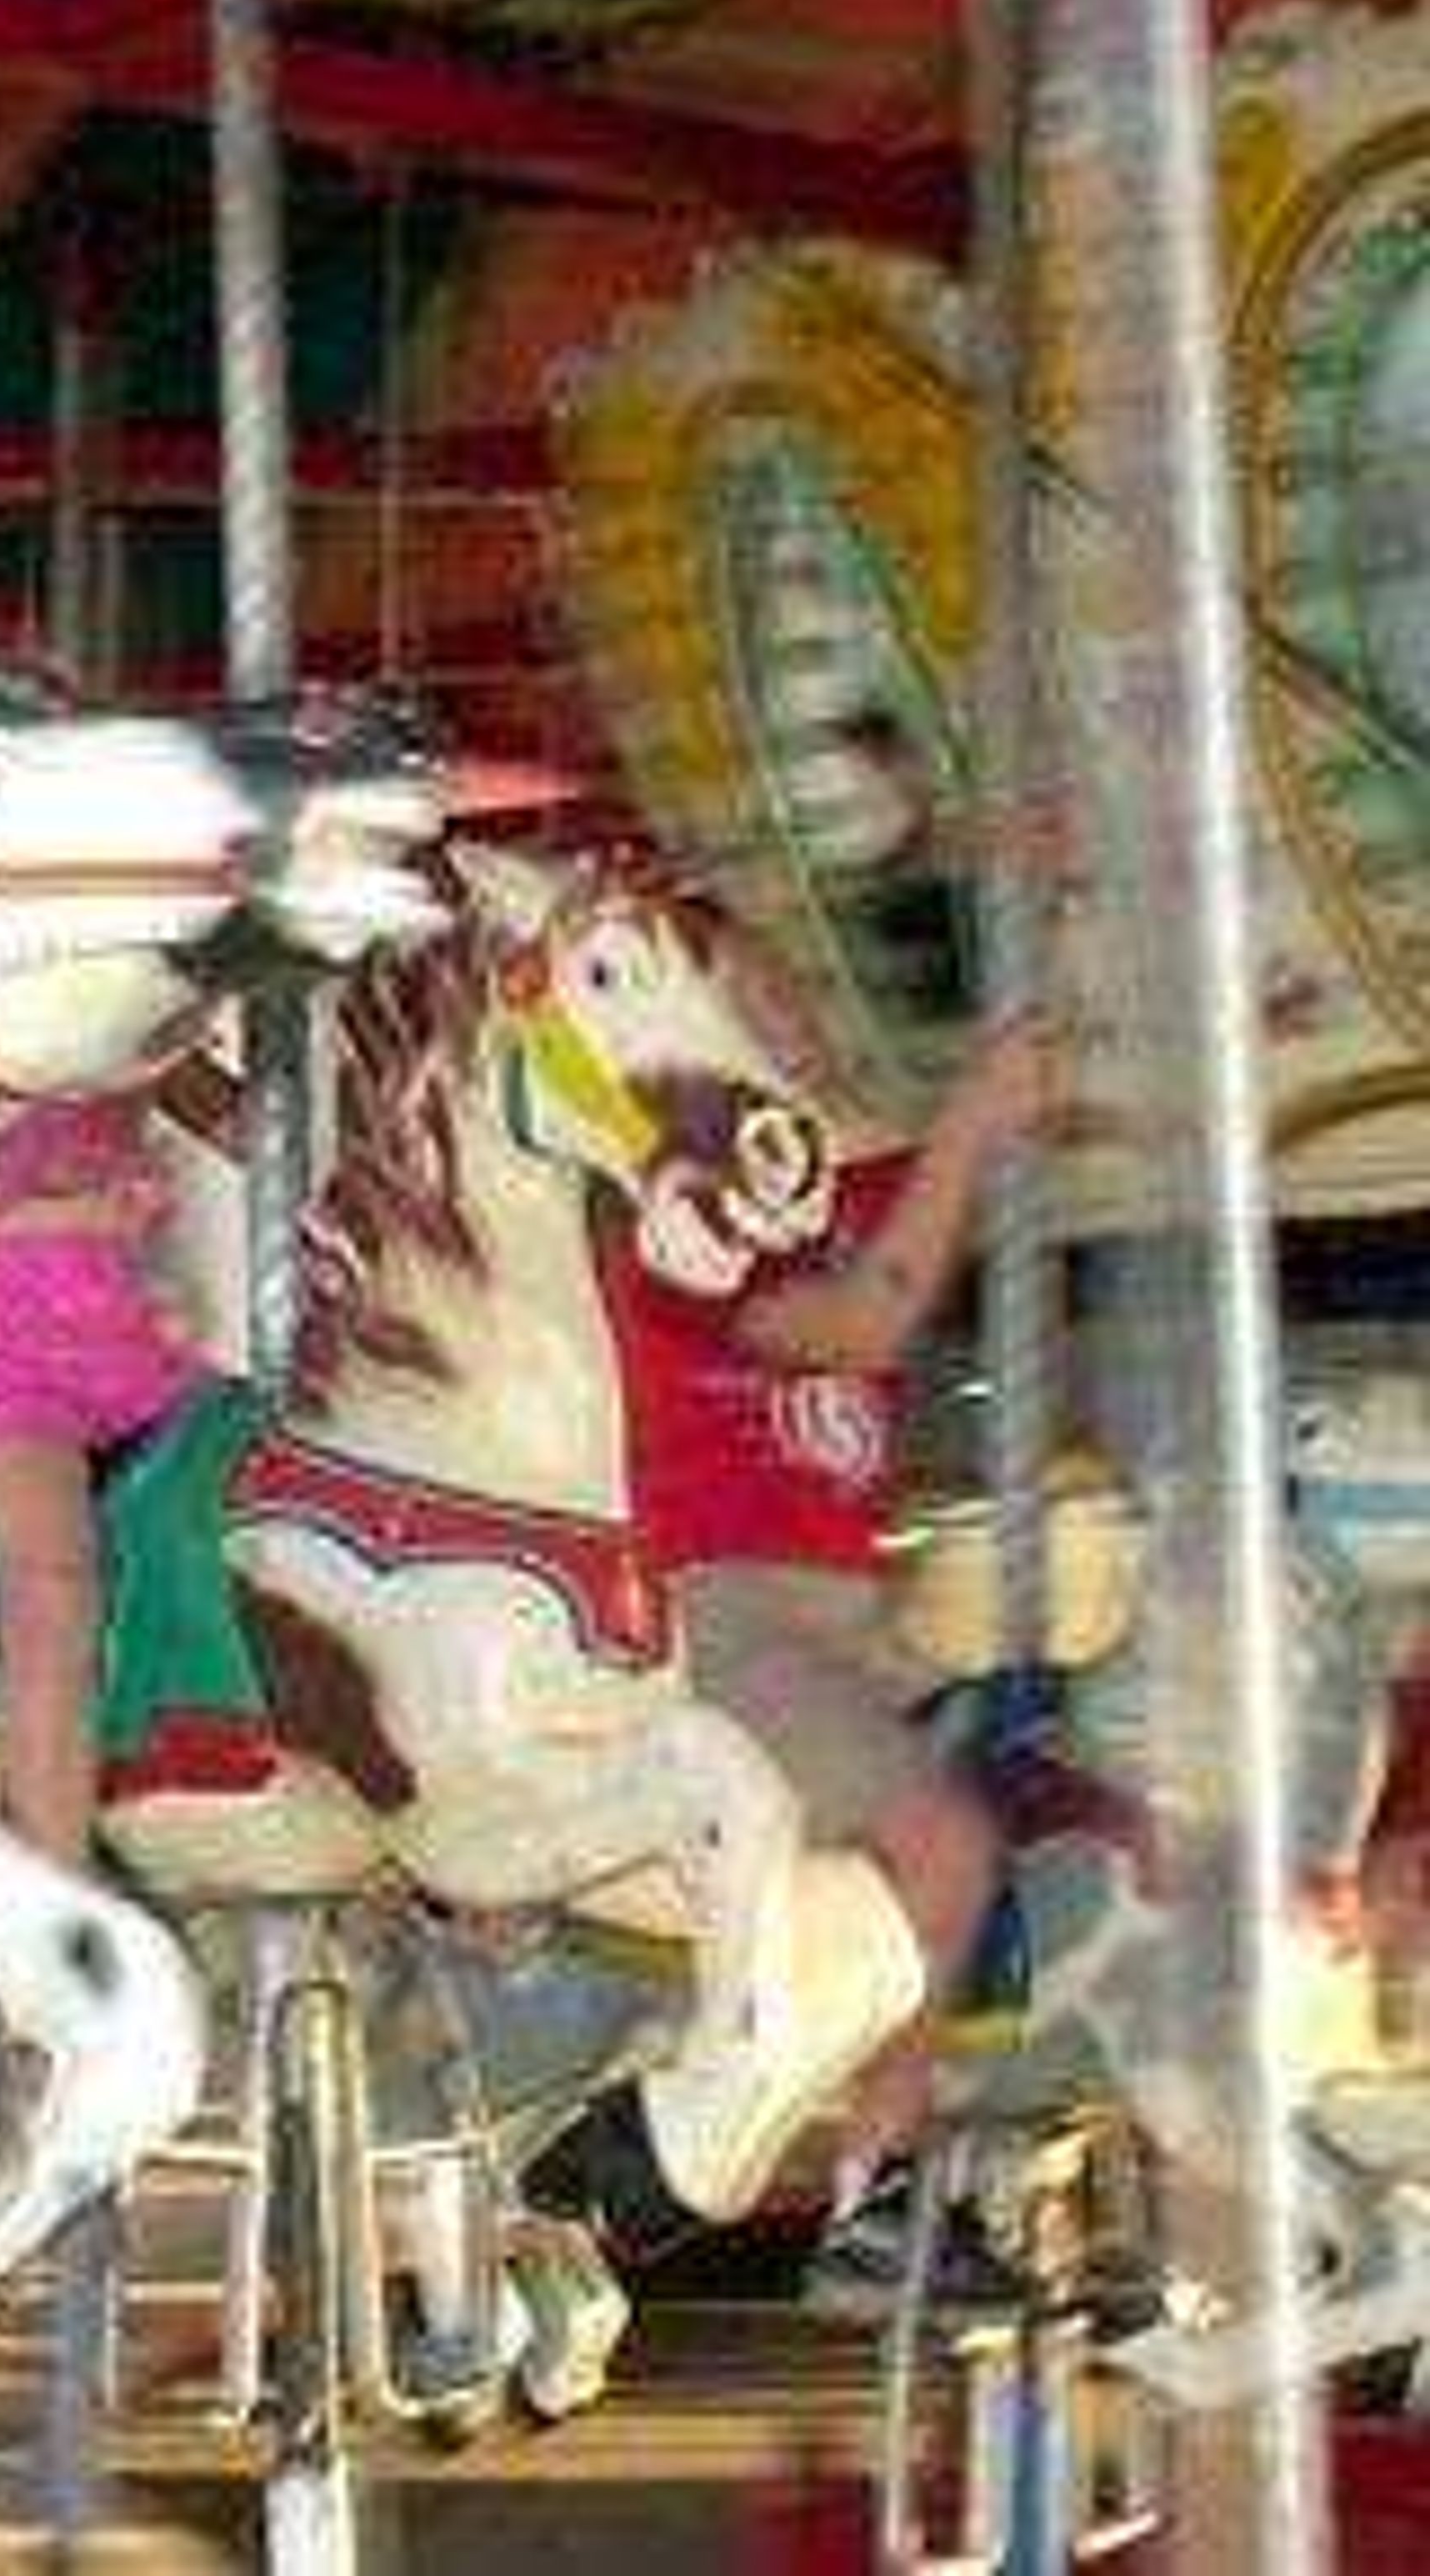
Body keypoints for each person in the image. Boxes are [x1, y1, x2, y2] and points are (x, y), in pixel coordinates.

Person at [598, 972, 1063, 2288]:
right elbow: (874, 1315)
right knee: (947, 1845)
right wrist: (971, 1123)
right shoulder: (681, 1232)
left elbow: (970, 1176)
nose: (807, 1024)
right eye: (772, 1009)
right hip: (728, 1609)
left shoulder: (827, 1193)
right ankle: (880, 2193)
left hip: (851, 1616)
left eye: (802, 999)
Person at [0, 1093, 210, 1863]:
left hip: (146, 1354)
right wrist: (74, 1212)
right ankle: (57, 1887)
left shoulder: (124, 1043)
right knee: (51, 1584)